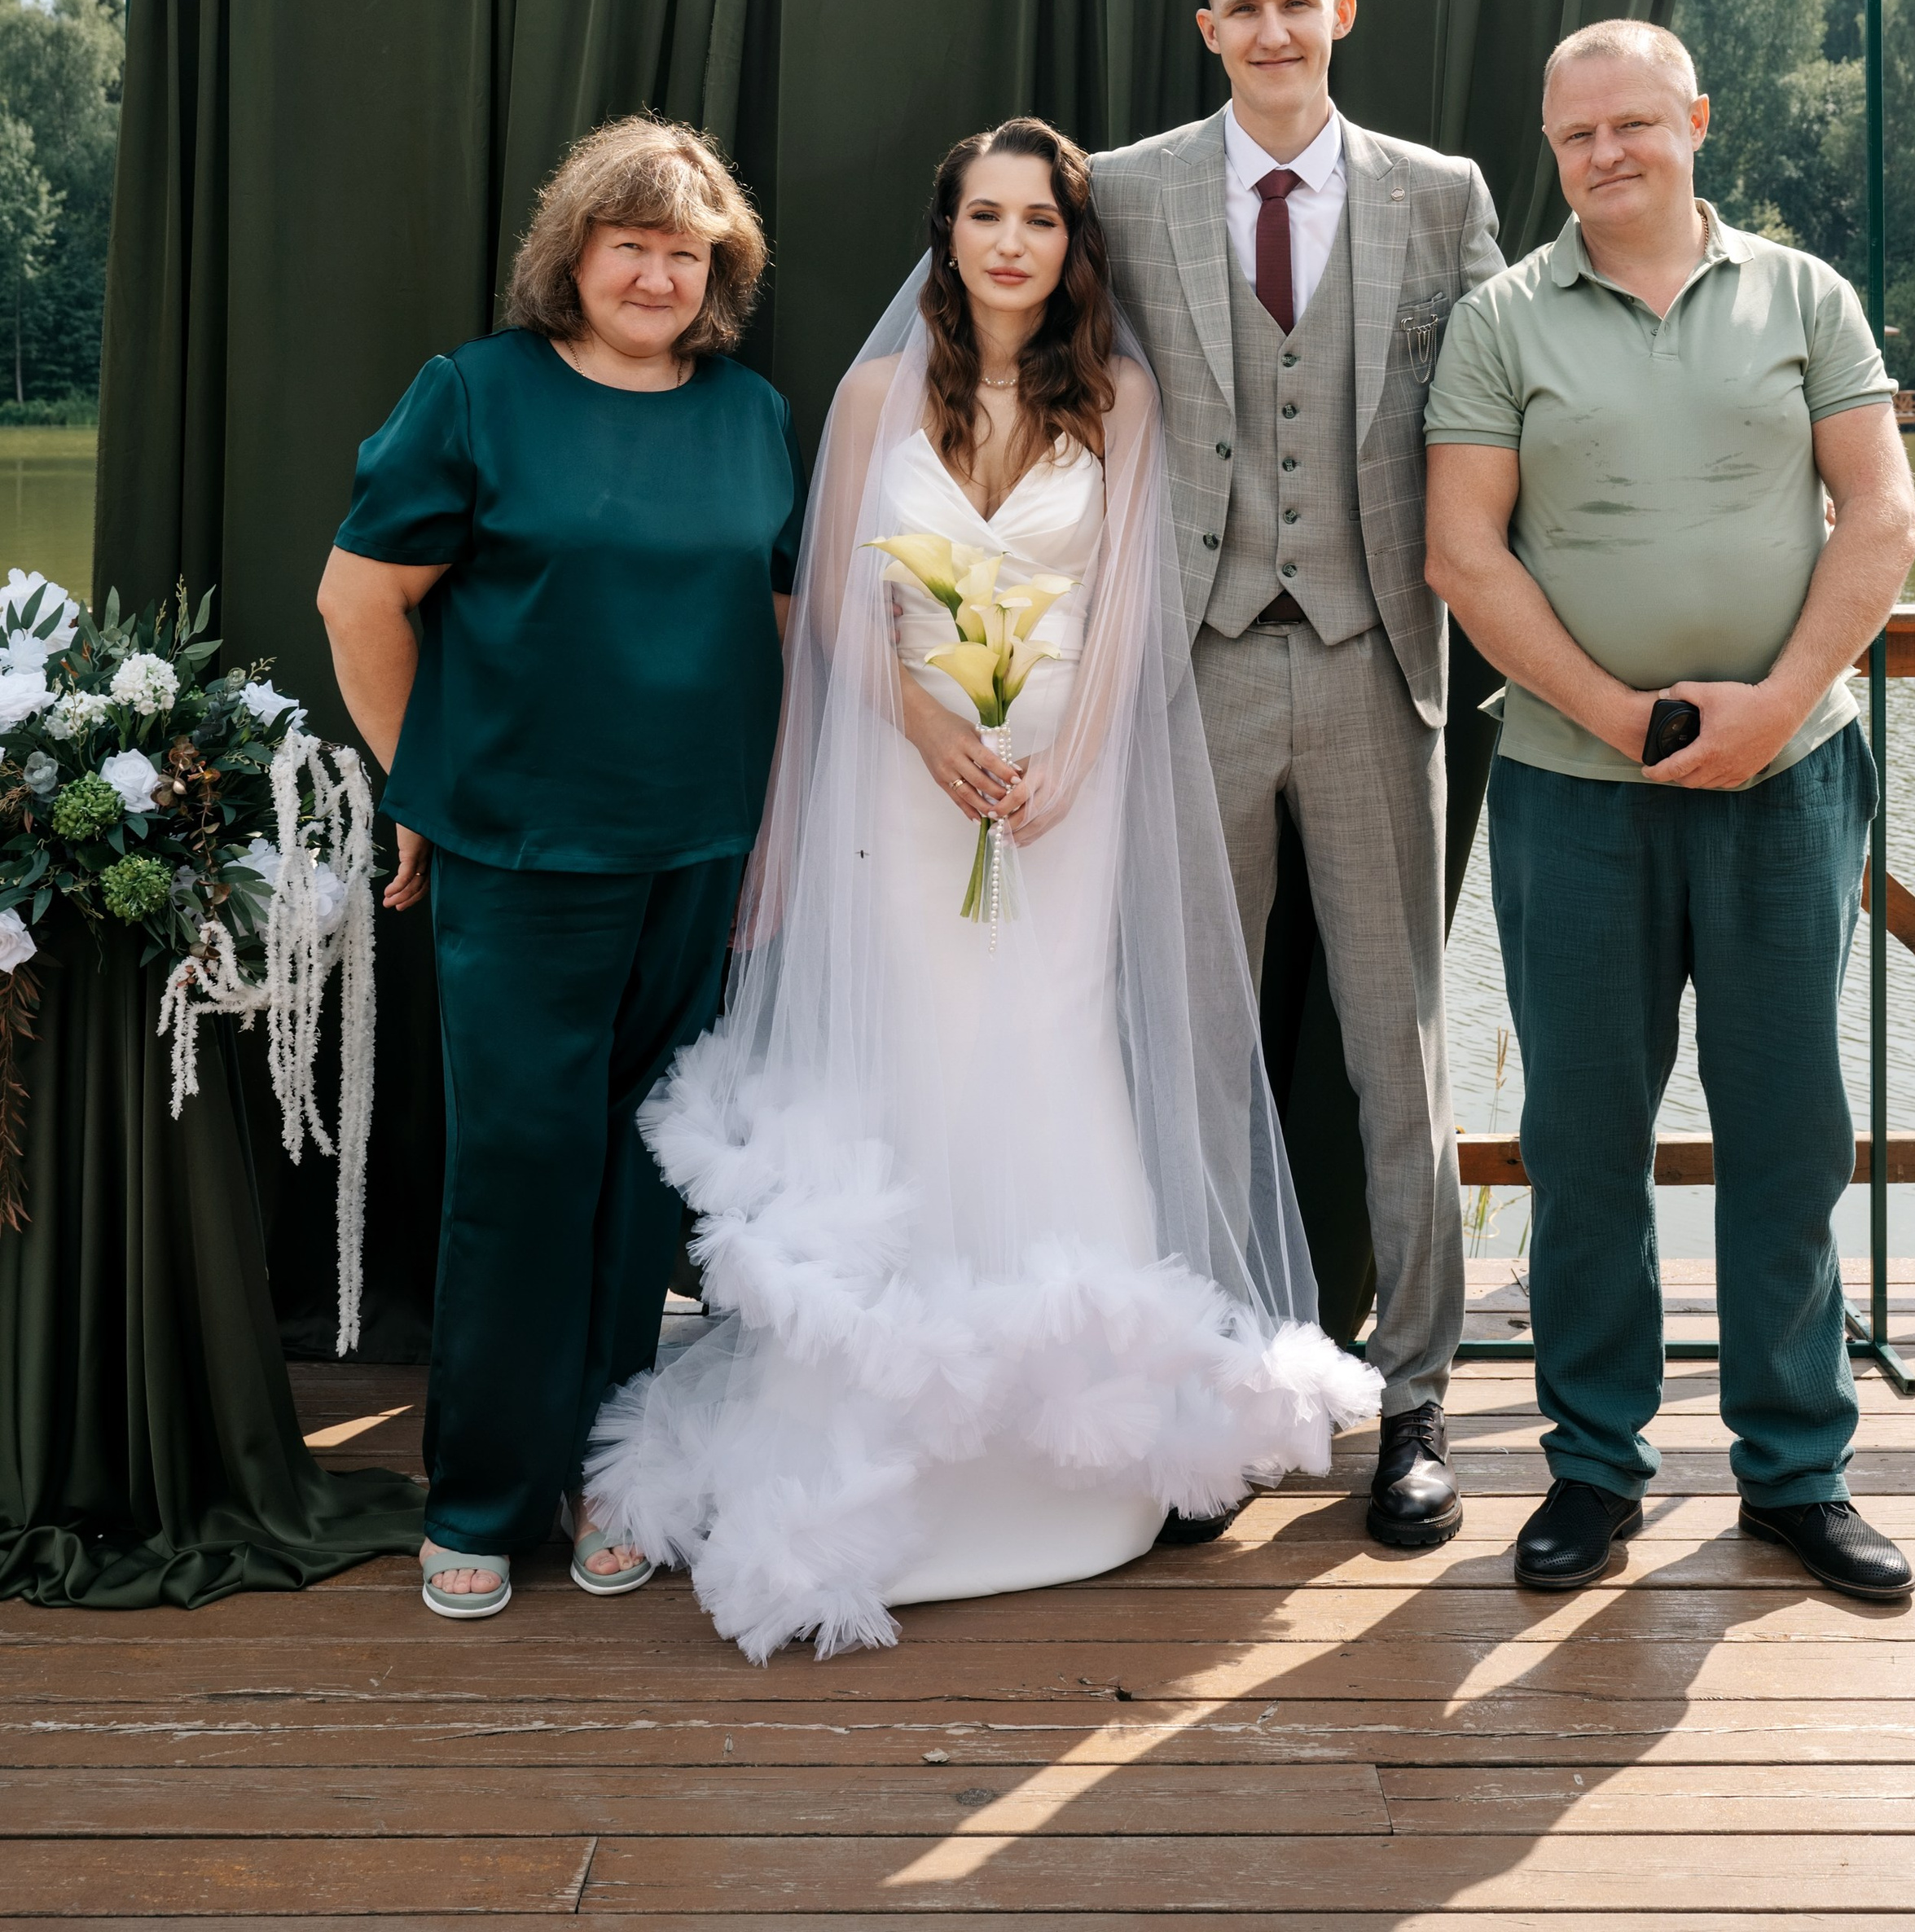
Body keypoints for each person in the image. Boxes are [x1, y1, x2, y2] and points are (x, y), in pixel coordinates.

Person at [586, 116, 1377, 1662]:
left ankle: (1061, 1465)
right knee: (917, 1070)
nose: (1013, 244)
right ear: (946, 233)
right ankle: (895, 1449)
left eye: (1042, 221)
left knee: (1051, 1058)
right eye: (986, 216)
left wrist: (1070, 765)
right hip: (904, 778)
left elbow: (1136, 603)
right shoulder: (881, 393)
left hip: (1064, 799)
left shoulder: (1121, 398)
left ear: (1074, 246)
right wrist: (936, 734)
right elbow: (835, 607)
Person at [1424, 20, 1915, 1602]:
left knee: (1784, 1133)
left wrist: (1768, 707)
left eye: (1633, 122)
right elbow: (1463, 555)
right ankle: (1593, 1466)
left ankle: (1792, 1472)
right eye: (1575, 133)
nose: (1604, 153)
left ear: (1695, 120)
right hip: (1576, 790)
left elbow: (1883, 515)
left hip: (1787, 782)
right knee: (1581, 1141)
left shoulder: (1801, 296)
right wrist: (1619, 714)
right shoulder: (1499, 319)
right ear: (1549, 145)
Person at [317, 116, 806, 1620]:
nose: (658, 272)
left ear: (717, 271)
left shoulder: (751, 414)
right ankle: (479, 1492)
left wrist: (773, 819)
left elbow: (774, 623)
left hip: (700, 849)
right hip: (524, 855)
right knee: (522, 1178)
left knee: (642, 1184)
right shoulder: (478, 395)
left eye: (687, 249)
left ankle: (616, 1473)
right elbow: (361, 601)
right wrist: (427, 784)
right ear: (573, 255)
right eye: (629, 243)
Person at [1087, 0, 1504, 1552]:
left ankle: (1412, 1401)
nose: (1270, 29)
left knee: (1391, 1048)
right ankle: (1203, 1396)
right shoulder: (1121, 190)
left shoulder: (1438, 192)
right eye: (1240, 7)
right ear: (1206, 28)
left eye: (1294, 2)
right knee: (1185, 1047)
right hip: (1182, 664)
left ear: (1343, 7)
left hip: (1367, 657)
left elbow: (1497, 406)